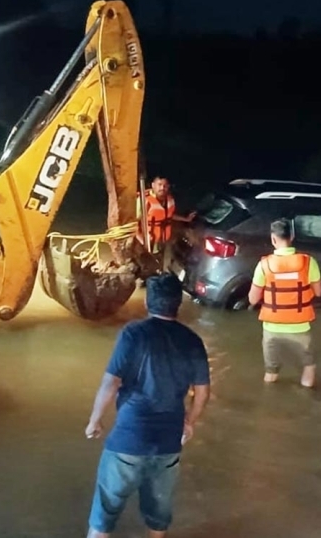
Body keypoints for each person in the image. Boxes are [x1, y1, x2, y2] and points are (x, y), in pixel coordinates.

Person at [83, 274, 211, 538]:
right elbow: (202, 392)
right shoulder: (192, 341)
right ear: (178, 303)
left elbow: (111, 383)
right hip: (168, 445)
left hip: (127, 442)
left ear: (148, 303)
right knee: (158, 518)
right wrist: (190, 421)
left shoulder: (133, 333)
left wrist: (95, 420)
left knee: (104, 516)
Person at [247, 218, 321, 387]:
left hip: (272, 329)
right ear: (292, 236)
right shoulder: (308, 262)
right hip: (300, 327)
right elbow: (318, 292)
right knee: (309, 366)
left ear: (273, 239)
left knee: (271, 374)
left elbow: (252, 299)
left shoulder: (264, 265)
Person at [138, 176, 195, 262]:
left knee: (159, 266)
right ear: (153, 185)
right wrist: (142, 240)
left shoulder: (170, 200)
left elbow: (169, 216)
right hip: (146, 243)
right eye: (159, 184)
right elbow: (132, 223)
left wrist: (186, 219)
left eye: (165, 185)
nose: (162, 188)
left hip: (162, 242)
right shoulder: (144, 201)